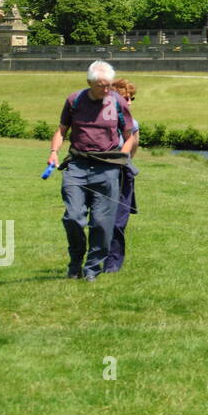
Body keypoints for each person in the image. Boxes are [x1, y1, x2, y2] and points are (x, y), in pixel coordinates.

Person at [47, 61, 137, 281]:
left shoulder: (117, 102)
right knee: (73, 217)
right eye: (100, 86)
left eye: (108, 85)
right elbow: (61, 130)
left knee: (101, 223)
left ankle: (92, 271)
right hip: (77, 165)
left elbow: (130, 135)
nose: (106, 90)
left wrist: (122, 158)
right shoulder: (74, 100)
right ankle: (75, 262)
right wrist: (54, 152)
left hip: (108, 168)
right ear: (89, 82)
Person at [105, 77, 140, 273]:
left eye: (132, 98)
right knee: (100, 219)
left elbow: (133, 150)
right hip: (102, 172)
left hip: (123, 172)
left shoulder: (133, 123)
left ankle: (112, 265)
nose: (129, 102)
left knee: (119, 220)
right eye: (126, 98)